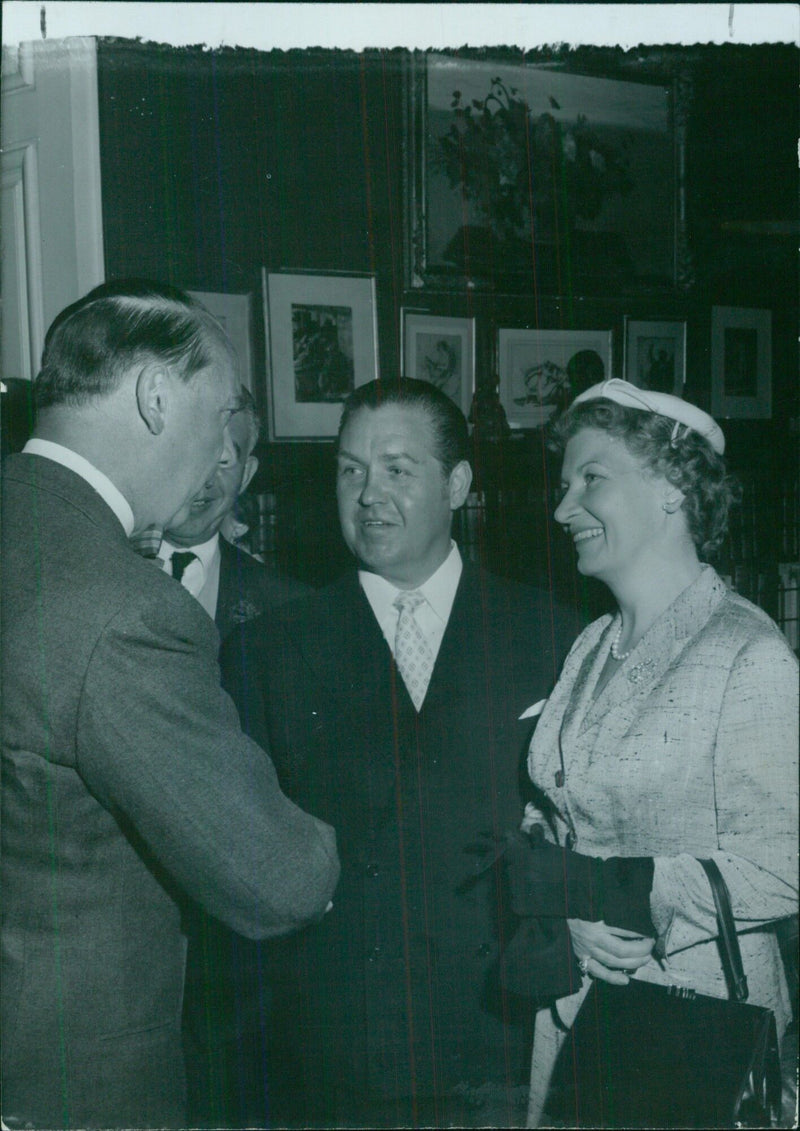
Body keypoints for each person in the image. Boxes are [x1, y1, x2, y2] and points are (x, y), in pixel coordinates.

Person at [0, 280, 339, 1130]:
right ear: (156, 396)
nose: (224, 450)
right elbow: (278, 878)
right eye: (223, 412)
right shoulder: (126, 608)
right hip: (74, 1086)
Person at [222, 377, 576, 1128]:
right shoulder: (271, 648)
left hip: (505, 1044)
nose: (368, 494)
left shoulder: (554, 635)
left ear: (459, 484)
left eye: (397, 469)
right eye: (350, 470)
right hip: (337, 1056)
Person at [512, 379, 797, 1127]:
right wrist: (564, 904)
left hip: (696, 1033)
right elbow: (552, 809)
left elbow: (785, 862)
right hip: (576, 1017)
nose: (562, 507)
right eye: (564, 483)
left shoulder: (749, 654)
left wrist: (611, 897)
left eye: (591, 479)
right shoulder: (591, 645)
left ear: (673, 487)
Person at [159, 385, 311, 1128]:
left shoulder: (292, 609)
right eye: (201, 448)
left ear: (248, 472)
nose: (213, 472)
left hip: (245, 983)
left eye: (234, 454)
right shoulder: (90, 583)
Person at [160, 384, 307, 640]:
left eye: (223, 461)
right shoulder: (94, 575)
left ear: (246, 475)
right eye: (192, 453)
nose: (205, 480)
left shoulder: (289, 607)